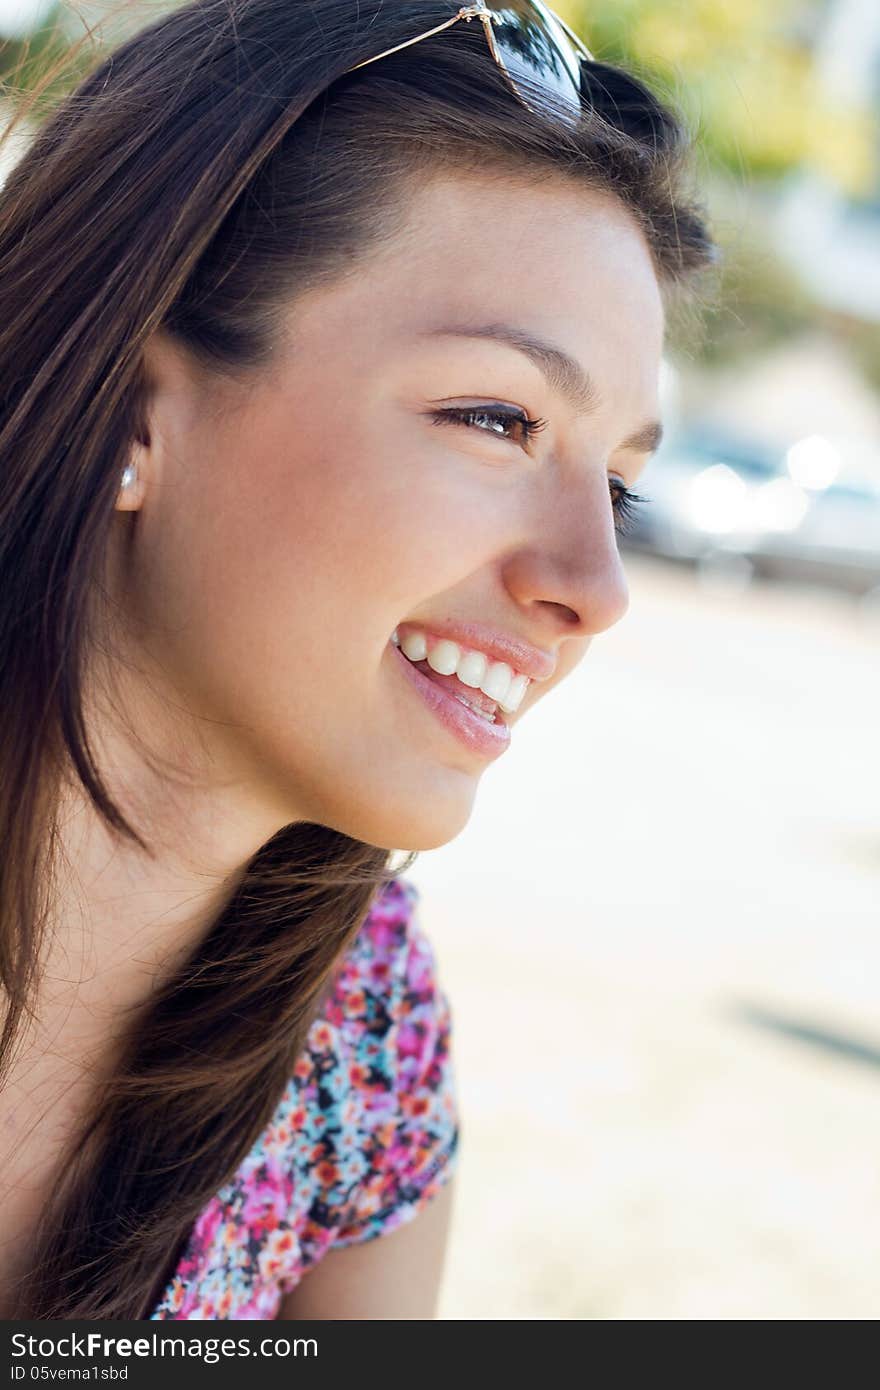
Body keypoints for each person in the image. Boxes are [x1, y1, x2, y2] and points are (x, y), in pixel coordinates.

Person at [0, 0, 718, 1319]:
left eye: (617, 488)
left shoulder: (362, 1032)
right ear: (135, 415)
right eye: (499, 418)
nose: (594, 588)